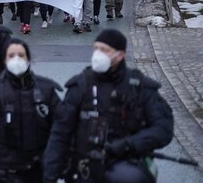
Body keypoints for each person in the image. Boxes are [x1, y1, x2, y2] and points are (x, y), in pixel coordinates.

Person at [43, 30, 174, 183]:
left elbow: (163, 129)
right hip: (84, 170)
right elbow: (60, 132)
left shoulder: (140, 87)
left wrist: (129, 144)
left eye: (104, 50)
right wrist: (49, 175)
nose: (98, 54)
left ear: (120, 55)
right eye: (96, 49)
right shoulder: (80, 85)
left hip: (125, 168)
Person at [0, 39, 62, 183]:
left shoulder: (46, 90)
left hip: (39, 173)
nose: (16, 59)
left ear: (28, 59)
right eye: (11, 55)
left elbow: (62, 129)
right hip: (5, 174)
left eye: (21, 55)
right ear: (4, 60)